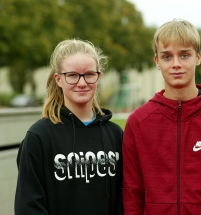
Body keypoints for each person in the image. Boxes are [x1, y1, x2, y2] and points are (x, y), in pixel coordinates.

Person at [122, 19, 201, 215]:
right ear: (157, 62)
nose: (176, 64)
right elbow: (132, 193)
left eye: (184, 55)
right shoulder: (138, 122)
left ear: (198, 57)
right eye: (167, 57)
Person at [15, 39, 123, 215]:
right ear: (58, 79)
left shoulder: (115, 135)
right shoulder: (39, 137)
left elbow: (125, 200)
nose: (82, 83)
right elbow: (29, 206)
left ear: (98, 77)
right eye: (72, 75)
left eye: (89, 74)